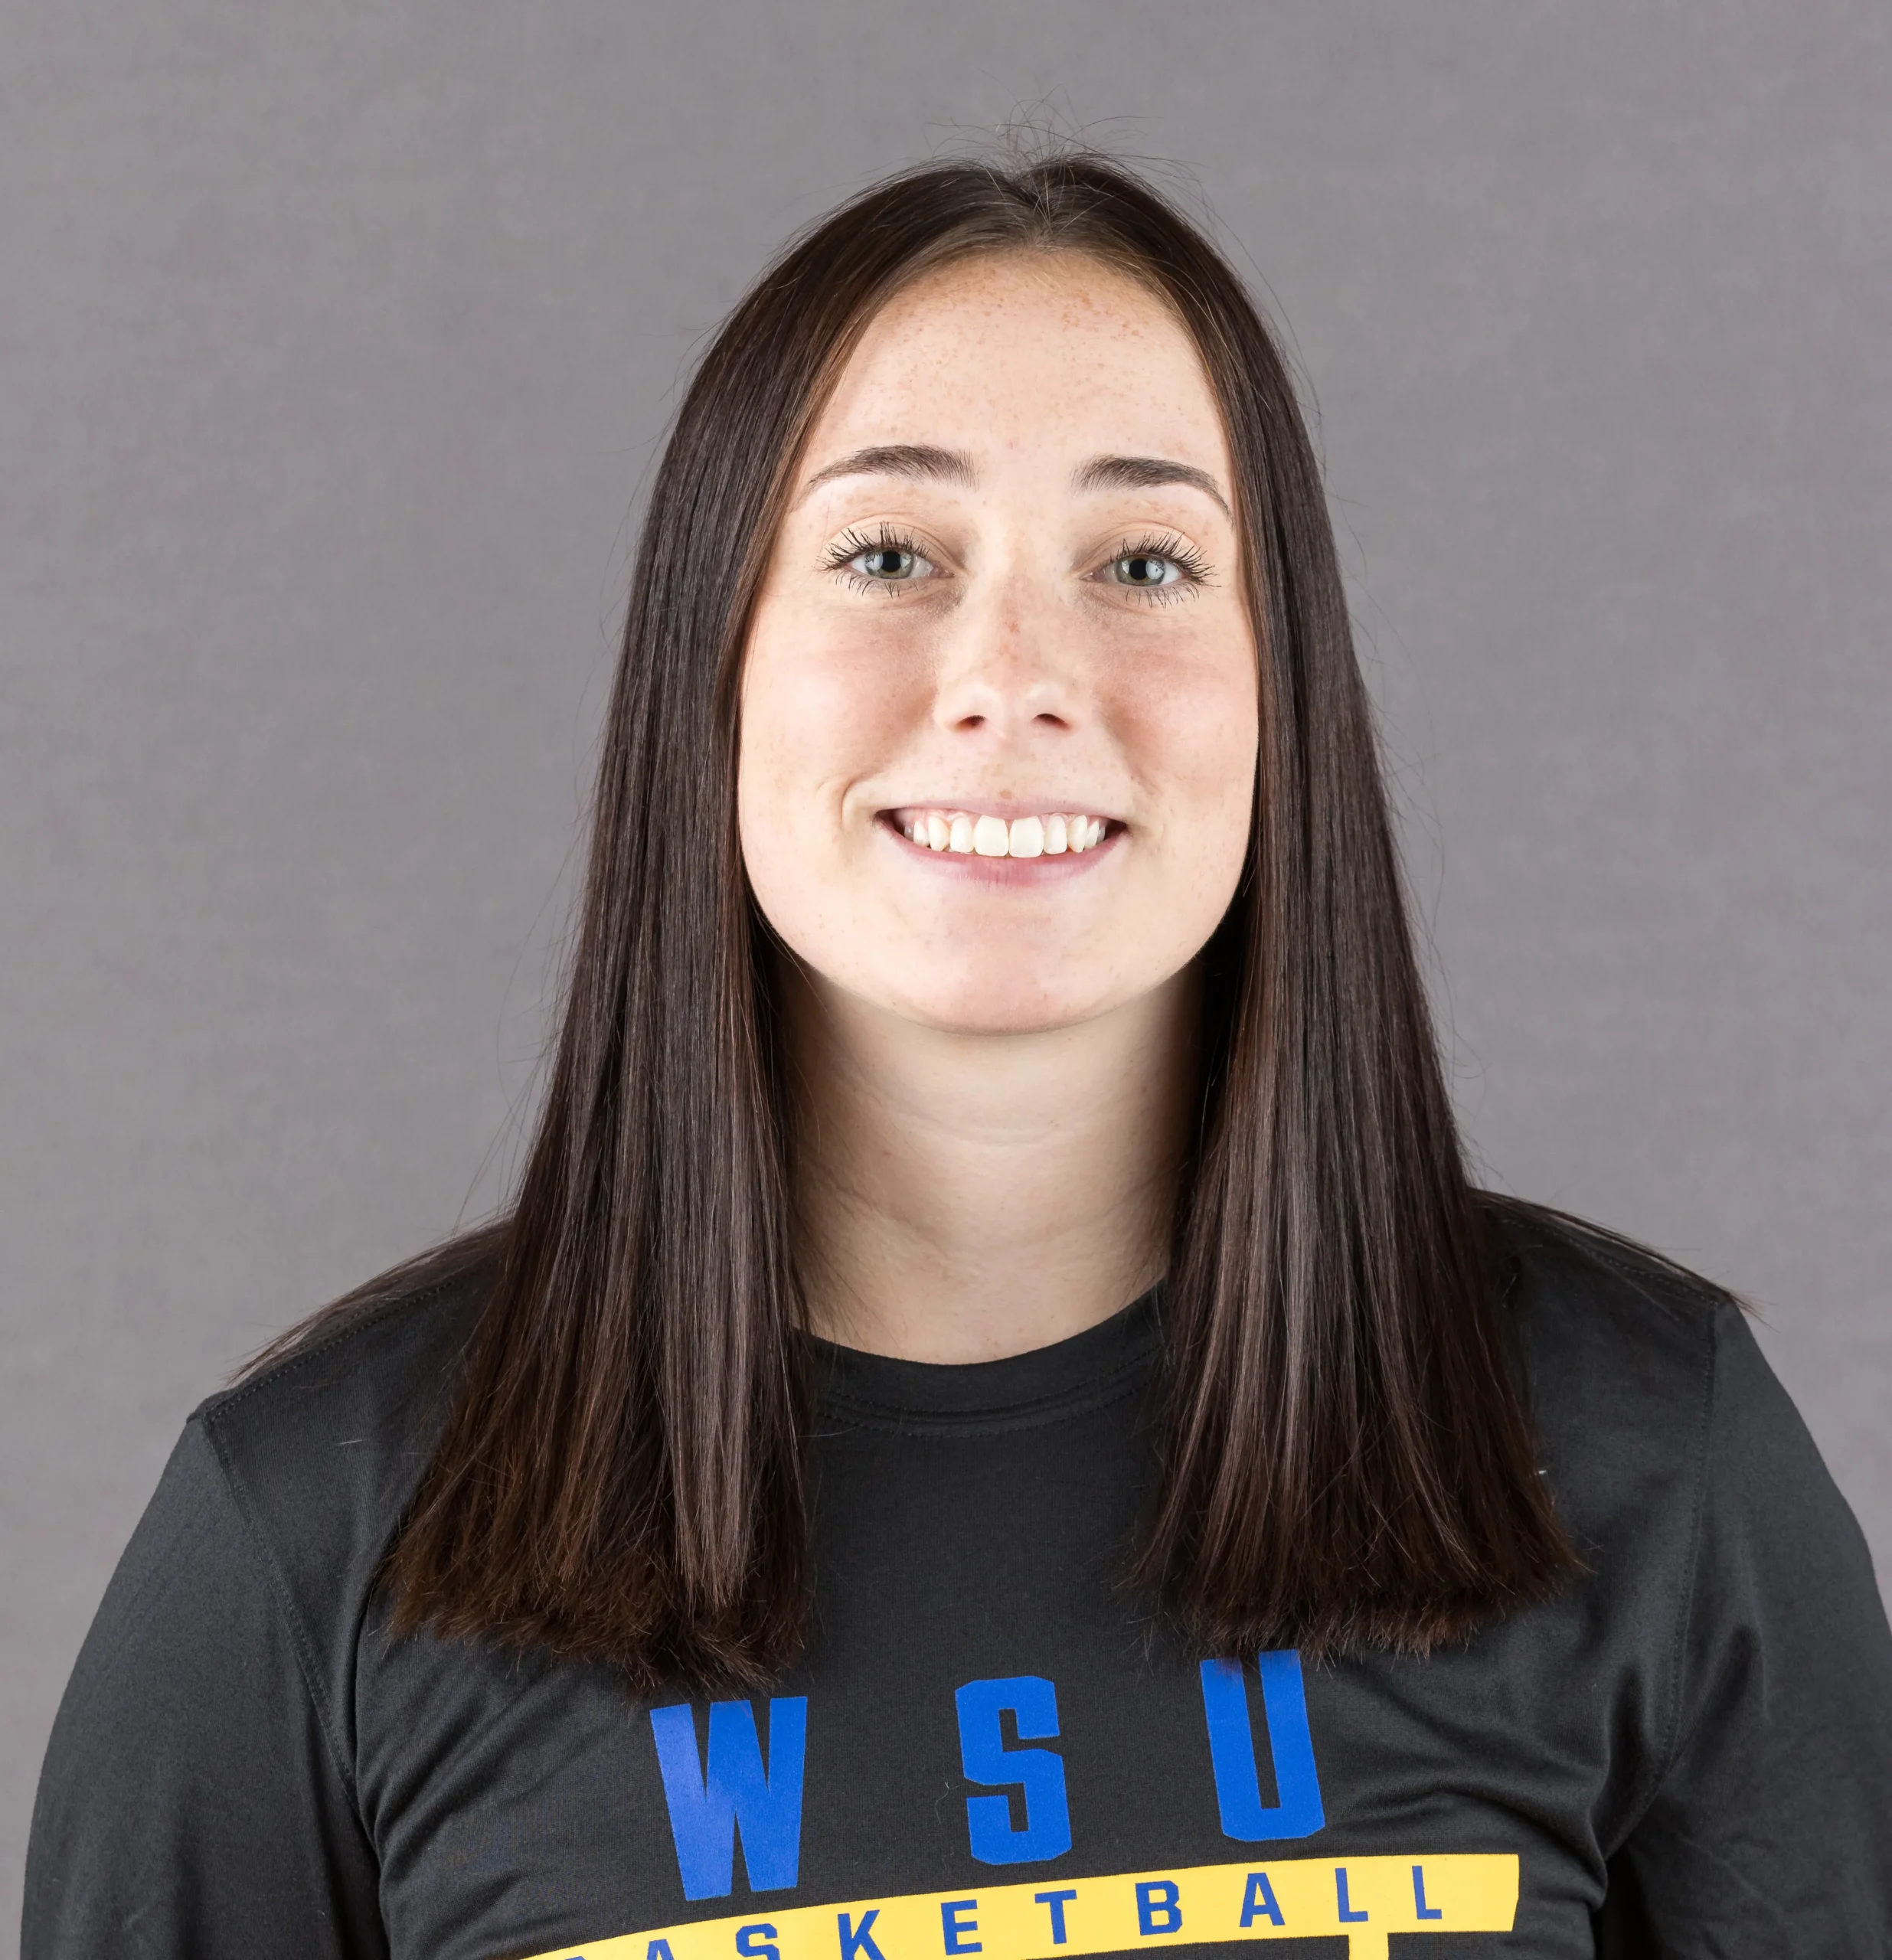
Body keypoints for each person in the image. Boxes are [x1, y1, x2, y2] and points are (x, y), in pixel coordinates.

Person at [24, 152, 1892, 1960]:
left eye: (1145, 560)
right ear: (716, 668)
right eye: (889, 551)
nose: (1012, 673)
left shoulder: (1645, 1459)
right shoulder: (313, 1543)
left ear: (1283, 692)